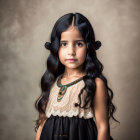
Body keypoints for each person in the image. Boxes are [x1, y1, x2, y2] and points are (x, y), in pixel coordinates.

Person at [34, 12, 119, 140]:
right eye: (64, 44)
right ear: (56, 47)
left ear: (88, 47)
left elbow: (103, 127)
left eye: (79, 44)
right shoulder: (51, 82)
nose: (71, 51)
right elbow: (42, 124)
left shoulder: (95, 83)